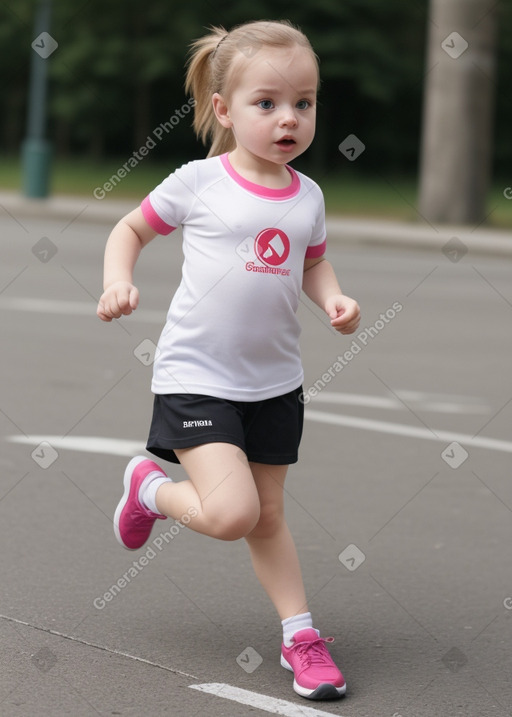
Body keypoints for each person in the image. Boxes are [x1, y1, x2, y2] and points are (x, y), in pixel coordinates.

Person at [97, 19, 360, 701]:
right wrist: (117, 279)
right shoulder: (200, 182)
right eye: (267, 103)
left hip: (275, 384)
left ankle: (300, 636)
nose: (288, 119)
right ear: (223, 109)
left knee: (267, 514)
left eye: (303, 103)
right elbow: (130, 227)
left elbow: (314, 262)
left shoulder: (308, 196)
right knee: (234, 512)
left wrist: (333, 299)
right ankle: (150, 489)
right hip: (197, 378)